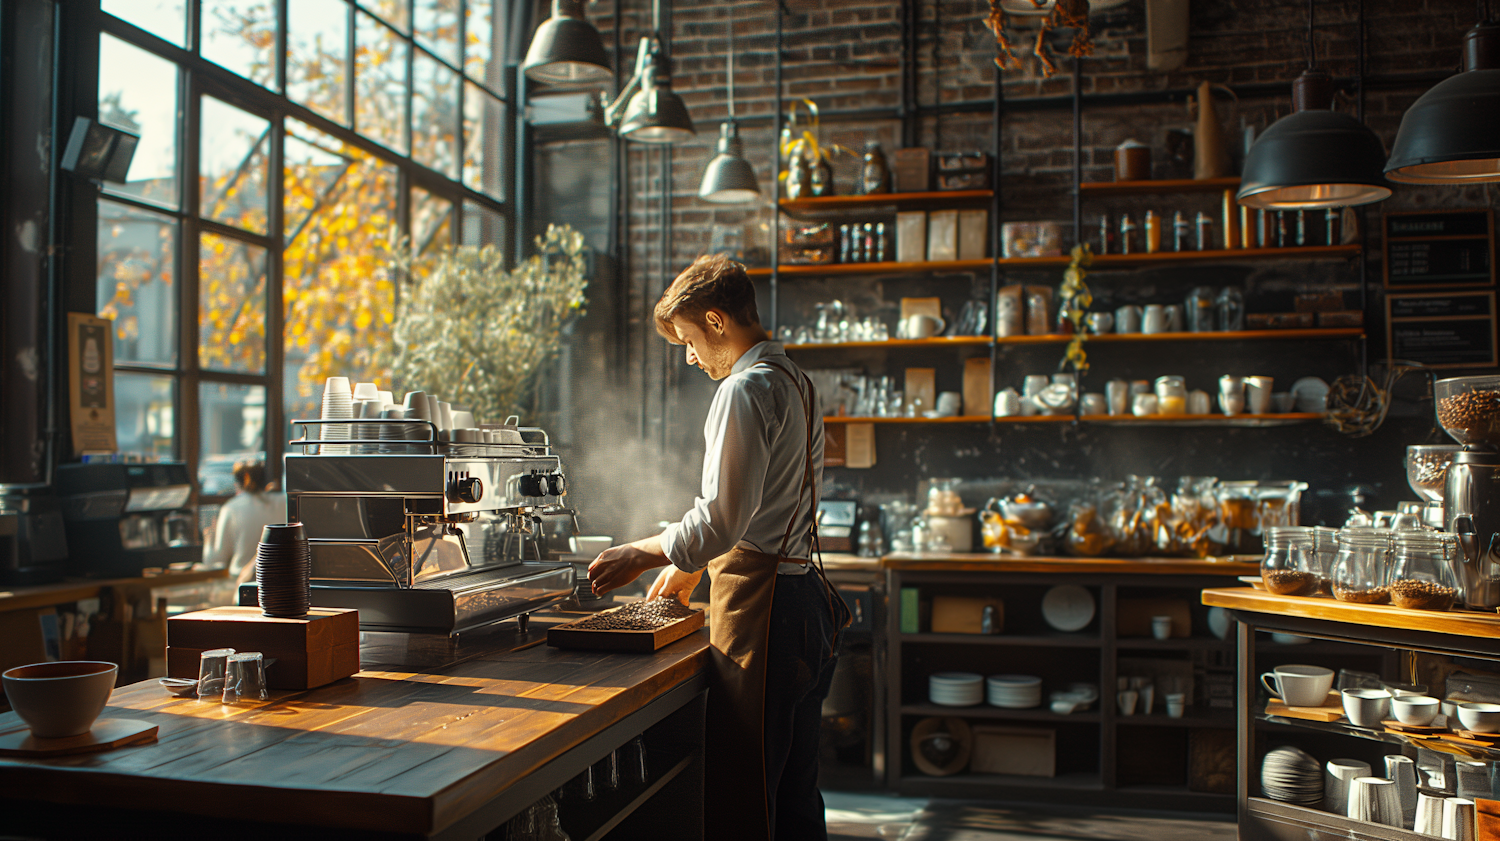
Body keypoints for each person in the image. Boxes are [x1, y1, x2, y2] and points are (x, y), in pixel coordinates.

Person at [588, 254, 848, 841]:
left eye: (688, 338)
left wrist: (643, 550)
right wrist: (691, 568)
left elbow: (721, 521)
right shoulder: (797, 383)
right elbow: (757, 513)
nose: (688, 355)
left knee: (745, 790)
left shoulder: (743, 388)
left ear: (716, 320)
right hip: (806, 601)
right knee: (796, 795)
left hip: (766, 615)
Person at [201, 460, 286, 600]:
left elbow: (216, 561)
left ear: (237, 483)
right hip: (282, 583)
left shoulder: (231, 508)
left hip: (244, 586)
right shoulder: (283, 501)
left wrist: (208, 538)